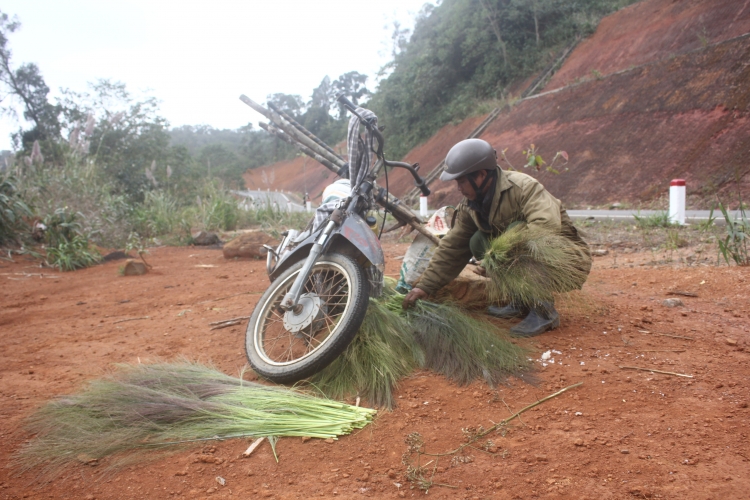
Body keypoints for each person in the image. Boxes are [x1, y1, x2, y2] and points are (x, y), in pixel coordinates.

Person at [401, 138, 591, 337]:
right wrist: (426, 286)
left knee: (515, 232)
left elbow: (545, 229)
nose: (459, 187)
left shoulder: (523, 187)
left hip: (566, 260)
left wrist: (498, 252)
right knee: (477, 241)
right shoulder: (471, 205)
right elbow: (453, 247)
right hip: (533, 260)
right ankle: (522, 301)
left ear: (481, 175)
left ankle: (543, 311)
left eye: (462, 180)